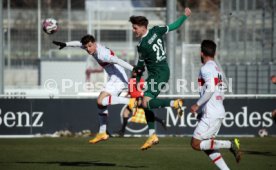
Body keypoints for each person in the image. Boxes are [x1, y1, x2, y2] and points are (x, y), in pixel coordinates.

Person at [53, 35, 136, 144]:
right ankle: (102, 132)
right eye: (86, 47)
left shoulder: (102, 55)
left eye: (90, 46)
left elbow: (118, 60)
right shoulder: (92, 48)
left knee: (100, 101)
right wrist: (66, 44)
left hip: (118, 79)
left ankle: (130, 101)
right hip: (115, 78)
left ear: (94, 43)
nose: (88, 49)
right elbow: (79, 44)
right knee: (101, 104)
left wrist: (134, 69)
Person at [128, 7, 191, 150]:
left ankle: (175, 103)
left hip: (158, 74)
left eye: (135, 28)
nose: (134, 31)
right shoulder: (157, 30)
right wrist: (184, 16)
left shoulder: (142, 46)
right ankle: (152, 135)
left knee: (145, 102)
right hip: (160, 72)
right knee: (145, 103)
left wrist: (136, 84)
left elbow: (139, 67)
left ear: (143, 27)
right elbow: (174, 26)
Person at [190, 40, 241, 170]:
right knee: (208, 146)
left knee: (195, 144)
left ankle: (229, 144)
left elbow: (211, 88)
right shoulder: (218, 70)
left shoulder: (205, 68)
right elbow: (221, 90)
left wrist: (198, 104)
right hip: (217, 110)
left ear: (201, 53)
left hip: (211, 113)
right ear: (215, 53)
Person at [117, 72, 166, 137]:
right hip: (132, 100)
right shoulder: (130, 80)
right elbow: (130, 90)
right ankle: (161, 120)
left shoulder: (140, 80)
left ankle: (122, 132)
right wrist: (127, 94)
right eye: (133, 71)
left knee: (128, 113)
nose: (134, 72)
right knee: (125, 113)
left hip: (138, 99)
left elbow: (144, 89)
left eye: (135, 71)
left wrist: (140, 98)